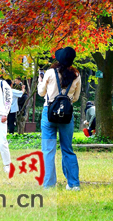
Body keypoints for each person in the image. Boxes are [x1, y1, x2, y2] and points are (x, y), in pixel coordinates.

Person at [38, 47, 82, 190]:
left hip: (49, 112)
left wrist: (41, 81)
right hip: (66, 115)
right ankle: (73, 183)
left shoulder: (50, 72)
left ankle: (49, 184)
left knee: (48, 150)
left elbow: (41, 93)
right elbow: (75, 98)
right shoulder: (76, 74)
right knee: (67, 149)